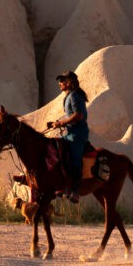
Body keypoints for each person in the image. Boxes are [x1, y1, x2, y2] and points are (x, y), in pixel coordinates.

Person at [47, 70, 89, 203]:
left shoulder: (74, 96)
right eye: (60, 80)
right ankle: (62, 185)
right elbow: (69, 115)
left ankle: (75, 191)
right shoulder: (69, 96)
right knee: (57, 152)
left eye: (63, 80)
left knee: (74, 159)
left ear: (69, 82)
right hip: (70, 133)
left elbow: (78, 116)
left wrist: (60, 123)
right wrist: (55, 122)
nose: (60, 83)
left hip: (77, 134)